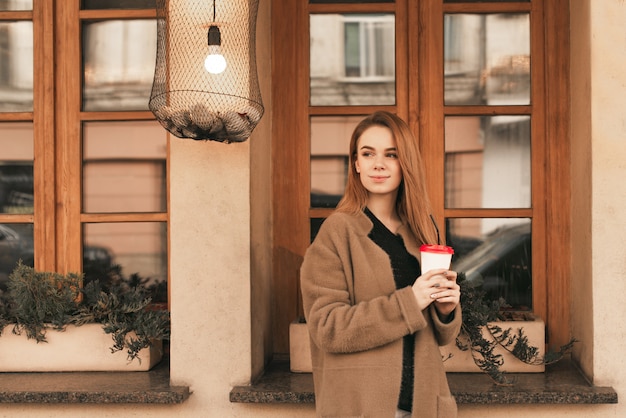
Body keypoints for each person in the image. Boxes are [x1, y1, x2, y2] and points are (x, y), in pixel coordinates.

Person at [300, 111, 462, 418]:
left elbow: (438, 337)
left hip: (424, 403)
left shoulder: (421, 232)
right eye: (368, 153)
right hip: (364, 405)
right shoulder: (337, 232)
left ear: (405, 163)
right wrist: (410, 301)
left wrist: (445, 310)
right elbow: (327, 328)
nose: (378, 164)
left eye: (391, 154)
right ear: (356, 164)